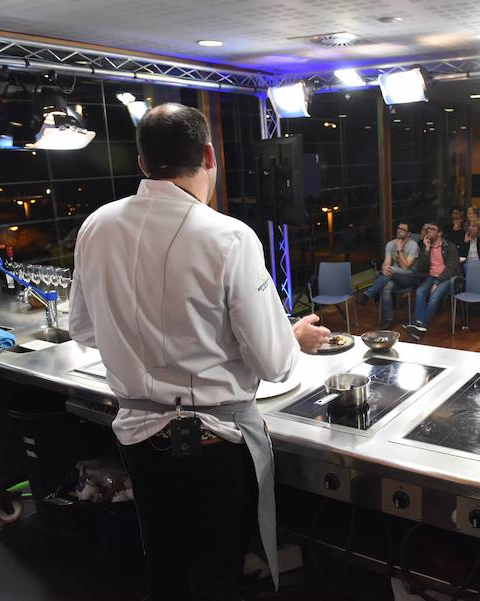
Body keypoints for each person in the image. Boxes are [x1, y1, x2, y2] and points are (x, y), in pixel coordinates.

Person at [68, 103, 330, 600]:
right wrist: (290, 338)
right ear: (210, 155)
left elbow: (83, 330)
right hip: (214, 446)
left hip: (137, 439)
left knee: (162, 558)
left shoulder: (96, 226)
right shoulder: (228, 236)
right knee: (214, 573)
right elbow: (274, 363)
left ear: (142, 162)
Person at [355, 221, 420, 329]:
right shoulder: (390, 244)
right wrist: (385, 267)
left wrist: (399, 249)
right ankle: (388, 319)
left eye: (403, 229)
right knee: (386, 286)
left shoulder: (413, 245)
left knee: (392, 270)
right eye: (399, 228)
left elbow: (405, 267)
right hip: (392, 275)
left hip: (409, 277)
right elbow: (387, 262)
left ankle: (367, 295)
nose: (399, 230)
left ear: (408, 234)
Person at [404, 222, 460, 340]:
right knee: (419, 292)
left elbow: (451, 269)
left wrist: (437, 282)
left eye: (432, 229)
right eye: (428, 229)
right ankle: (419, 325)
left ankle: (420, 324)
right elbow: (422, 268)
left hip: (447, 278)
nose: (429, 231)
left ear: (439, 233)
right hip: (431, 276)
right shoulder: (426, 246)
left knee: (434, 296)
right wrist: (426, 249)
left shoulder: (450, 246)